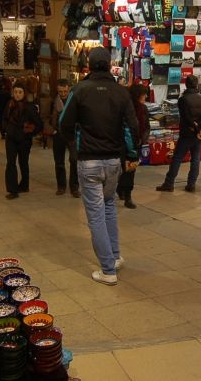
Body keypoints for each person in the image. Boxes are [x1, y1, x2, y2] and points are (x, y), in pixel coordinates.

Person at [59, 47, 139, 286]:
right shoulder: (121, 92)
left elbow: (64, 122)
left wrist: (74, 146)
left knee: (95, 216)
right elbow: (132, 126)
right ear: (109, 64)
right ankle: (114, 257)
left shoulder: (80, 90)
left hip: (89, 161)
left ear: (90, 65)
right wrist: (132, 154)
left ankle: (108, 270)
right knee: (109, 206)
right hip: (114, 161)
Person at [156, 74, 201, 193]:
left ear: (186, 85)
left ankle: (169, 183)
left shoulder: (183, 99)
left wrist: (194, 126)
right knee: (195, 158)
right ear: (196, 85)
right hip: (199, 134)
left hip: (187, 133)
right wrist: (200, 127)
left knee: (177, 158)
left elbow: (186, 117)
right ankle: (191, 184)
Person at [2, 81, 43, 199]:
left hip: (24, 140)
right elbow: (4, 118)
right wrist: (6, 129)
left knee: (23, 162)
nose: (17, 95)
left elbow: (38, 123)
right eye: (15, 92)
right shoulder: (9, 104)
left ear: (24, 93)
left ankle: (24, 185)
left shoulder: (29, 107)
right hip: (11, 138)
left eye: (20, 92)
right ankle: (12, 190)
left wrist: (29, 132)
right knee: (11, 163)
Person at [116, 84, 150, 209]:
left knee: (131, 170)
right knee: (125, 169)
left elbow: (146, 126)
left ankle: (126, 194)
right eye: (143, 94)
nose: (145, 96)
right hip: (124, 143)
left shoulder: (143, 109)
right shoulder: (125, 108)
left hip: (136, 144)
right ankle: (122, 190)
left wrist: (143, 139)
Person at [49, 79, 79, 197]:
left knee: (74, 160)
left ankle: (74, 187)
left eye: (65, 91)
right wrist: (52, 130)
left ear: (69, 89)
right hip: (58, 134)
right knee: (59, 162)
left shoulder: (74, 101)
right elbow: (47, 116)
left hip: (72, 134)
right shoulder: (54, 101)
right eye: (60, 92)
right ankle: (61, 186)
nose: (63, 94)